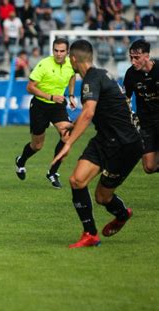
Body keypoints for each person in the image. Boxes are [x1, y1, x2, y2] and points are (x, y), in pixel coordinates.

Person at [52, 39, 142, 248]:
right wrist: (73, 127)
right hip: (105, 138)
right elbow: (91, 112)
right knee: (76, 180)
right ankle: (90, 234)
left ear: (73, 60)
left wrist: (68, 144)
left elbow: (89, 112)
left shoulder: (92, 79)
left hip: (125, 144)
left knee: (102, 196)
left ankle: (122, 214)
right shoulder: (100, 75)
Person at [14, 38, 76, 189]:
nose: (59, 54)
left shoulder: (71, 64)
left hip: (58, 106)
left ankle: (52, 172)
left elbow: (72, 76)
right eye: (56, 50)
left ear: (67, 52)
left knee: (67, 136)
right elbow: (30, 87)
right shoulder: (44, 64)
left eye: (62, 51)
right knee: (37, 145)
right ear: (52, 50)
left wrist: (71, 95)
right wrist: (51, 97)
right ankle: (21, 161)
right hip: (40, 106)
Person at [123, 39, 159, 174]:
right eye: (131, 57)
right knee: (149, 167)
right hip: (146, 123)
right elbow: (125, 98)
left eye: (136, 57)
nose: (133, 61)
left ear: (147, 56)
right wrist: (129, 115)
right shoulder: (130, 74)